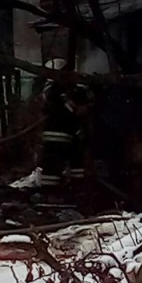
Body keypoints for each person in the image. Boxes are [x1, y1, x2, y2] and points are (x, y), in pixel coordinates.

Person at [40, 59, 91, 188]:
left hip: (64, 132)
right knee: (57, 163)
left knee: (61, 163)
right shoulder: (56, 89)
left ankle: (64, 190)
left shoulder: (55, 88)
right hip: (61, 132)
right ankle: (54, 192)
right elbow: (73, 109)